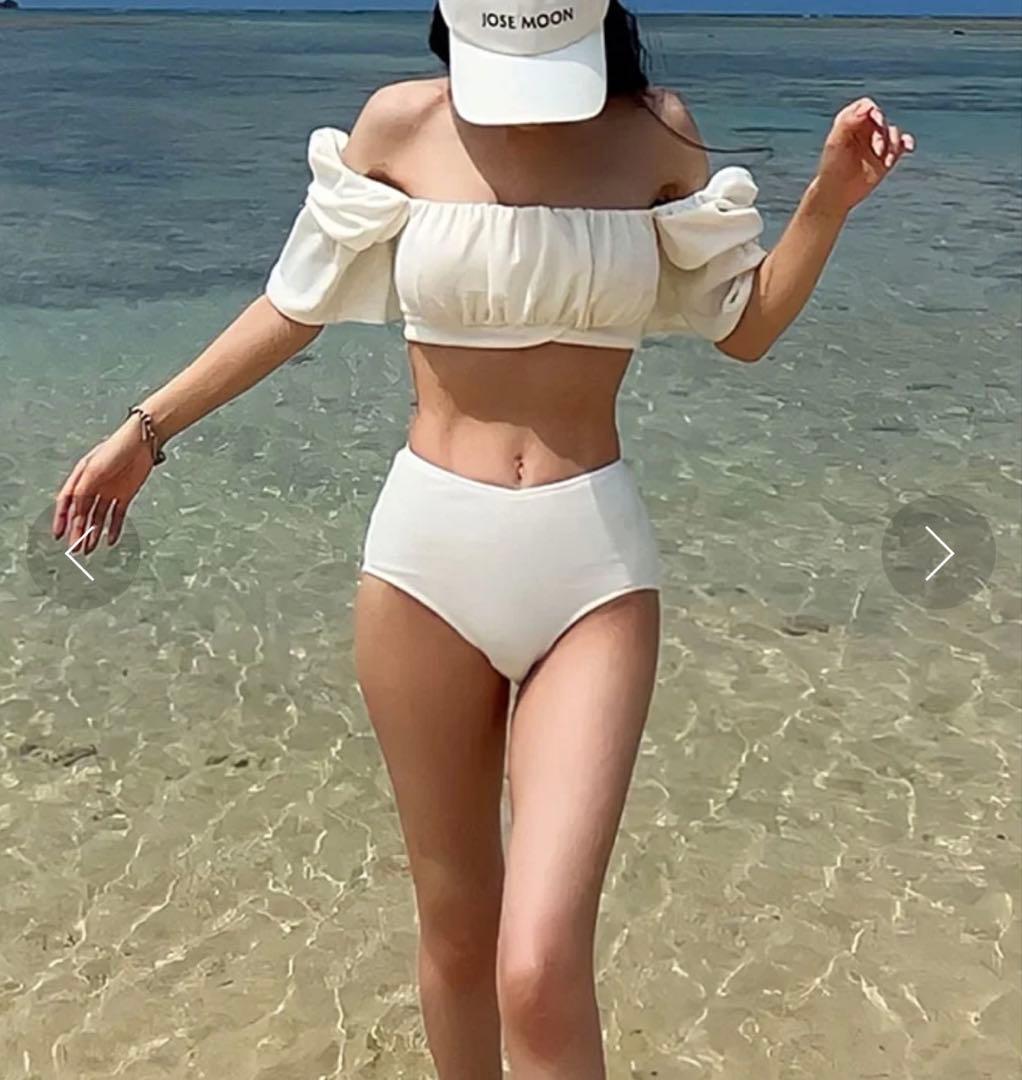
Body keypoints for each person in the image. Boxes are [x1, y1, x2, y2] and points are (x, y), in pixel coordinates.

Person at [52, 1, 914, 1076]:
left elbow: (743, 325)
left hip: (592, 566)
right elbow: (293, 305)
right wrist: (145, 432)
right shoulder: (400, 125)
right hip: (426, 565)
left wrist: (828, 198)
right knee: (458, 932)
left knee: (538, 965)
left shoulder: (655, 131)